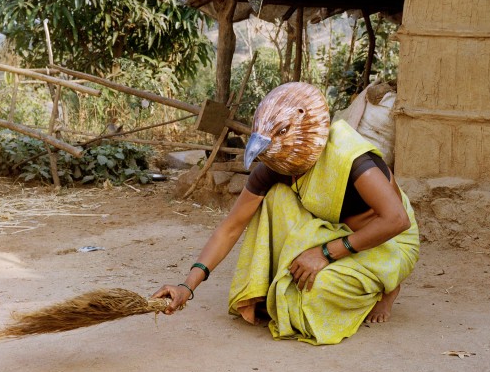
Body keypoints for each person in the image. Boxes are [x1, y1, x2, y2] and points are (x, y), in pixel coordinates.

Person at [152, 82, 419, 345]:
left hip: (386, 244)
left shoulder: (353, 160)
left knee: (316, 294)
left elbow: (397, 220)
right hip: (334, 232)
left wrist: (326, 253)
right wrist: (187, 286)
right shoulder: (277, 164)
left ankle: (385, 286)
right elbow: (231, 226)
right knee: (275, 200)